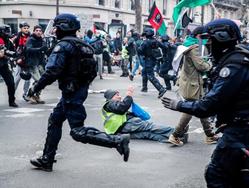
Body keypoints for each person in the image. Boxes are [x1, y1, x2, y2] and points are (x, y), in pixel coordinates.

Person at [161, 19, 249, 187]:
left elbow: (208, 106)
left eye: (209, 40)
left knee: (217, 175)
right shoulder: (235, 58)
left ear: (221, 38)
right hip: (242, 128)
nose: (207, 45)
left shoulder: (234, 65)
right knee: (232, 176)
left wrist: (179, 105)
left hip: (240, 130)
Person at [28, 13, 130, 172]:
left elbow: (52, 72)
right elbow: (93, 72)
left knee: (78, 131)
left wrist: (35, 87)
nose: (54, 31)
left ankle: (116, 140)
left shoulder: (63, 46)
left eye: (56, 27)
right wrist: (79, 86)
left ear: (63, 27)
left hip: (71, 93)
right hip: (76, 91)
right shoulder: (84, 46)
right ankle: (47, 159)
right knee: (55, 120)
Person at [168, 28, 219, 146]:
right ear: (198, 36)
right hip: (193, 84)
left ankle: (210, 135)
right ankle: (175, 135)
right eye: (204, 37)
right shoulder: (195, 48)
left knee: (200, 108)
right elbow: (201, 66)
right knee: (191, 109)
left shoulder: (190, 45)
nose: (207, 39)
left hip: (192, 83)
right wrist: (210, 65)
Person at [102, 86, 174, 142]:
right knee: (149, 127)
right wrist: (129, 95)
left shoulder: (109, 106)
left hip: (120, 131)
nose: (120, 96)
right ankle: (175, 133)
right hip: (127, 125)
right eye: (117, 95)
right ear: (110, 97)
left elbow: (121, 111)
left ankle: (167, 138)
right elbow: (122, 108)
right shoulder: (110, 104)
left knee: (146, 134)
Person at [138, 28, 166, 98]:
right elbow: (164, 46)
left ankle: (161, 89)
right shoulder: (156, 41)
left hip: (148, 60)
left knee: (150, 76)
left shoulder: (145, 42)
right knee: (144, 72)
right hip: (154, 59)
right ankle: (144, 87)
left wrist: (138, 47)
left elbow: (140, 51)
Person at [25, 25, 47, 104]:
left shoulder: (42, 40)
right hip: (32, 63)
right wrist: (39, 49)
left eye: (40, 31)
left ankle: (37, 96)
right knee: (38, 80)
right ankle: (29, 95)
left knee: (43, 81)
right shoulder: (30, 39)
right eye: (37, 30)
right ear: (34, 31)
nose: (38, 32)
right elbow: (28, 49)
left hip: (40, 63)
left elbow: (45, 50)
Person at [0, 24, 18, 107]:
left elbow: (13, 52)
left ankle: (12, 101)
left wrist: (16, 56)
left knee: (11, 82)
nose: (7, 33)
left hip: (3, 65)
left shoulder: (8, 41)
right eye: (6, 31)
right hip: (2, 62)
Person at [14, 21, 31, 102]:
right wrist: (16, 59)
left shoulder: (31, 37)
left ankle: (25, 94)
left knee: (28, 79)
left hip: (28, 61)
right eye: (24, 28)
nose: (26, 29)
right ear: (21, 28)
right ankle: (12, 94)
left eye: (27, 28)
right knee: (17, 79)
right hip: (20, 61)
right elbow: (14, 49)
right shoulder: (17, 37)